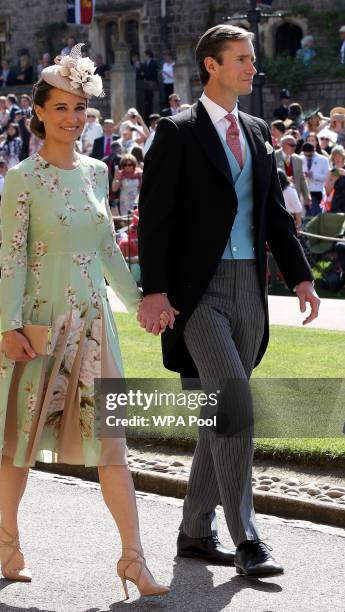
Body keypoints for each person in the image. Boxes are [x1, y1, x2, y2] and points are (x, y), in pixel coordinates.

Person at [0, 43, 170, 598]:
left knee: (113, 446)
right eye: (61, 108)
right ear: (39, 113)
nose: (72, 119)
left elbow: (106, 251)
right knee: (21, 442)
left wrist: (142, 303)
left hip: (95, 327)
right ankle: (8, 538)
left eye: (80, 108)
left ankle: (134, 559)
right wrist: (10, 327)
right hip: (38, 324)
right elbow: (11, 258)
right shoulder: (22, 179)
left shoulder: (98, 172)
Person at [137, 24, 319, 578]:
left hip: (251, 291)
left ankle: (194, 532)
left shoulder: (259, 129)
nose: (252, 67)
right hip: (198, 295)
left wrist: (302, 278)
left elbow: (273, 216)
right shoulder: (176, 131)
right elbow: (156, 218)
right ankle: (249, 540)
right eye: (241, 58)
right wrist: (154, 290)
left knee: (218, 414)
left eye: (252, 58)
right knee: (236, 403)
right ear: (211, 65)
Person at [275, 135, 311, 210]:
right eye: (292, 145)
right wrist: (285, 179)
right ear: (284, 144)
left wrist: (307, 197)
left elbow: (302, 179)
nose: (295, 147)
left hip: (295, 196)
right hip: (279, 196)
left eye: (295, 145)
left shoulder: (298, 159)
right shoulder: (273, 156)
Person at [301, 142, 329, 216]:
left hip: (317, 191)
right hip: (304, 191)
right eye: (306, 155)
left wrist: (313, 175)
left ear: (314, 150)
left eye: (310, 155)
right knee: (305, 214)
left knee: (314, 213)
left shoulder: (323, 159)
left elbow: (327, 177)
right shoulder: (300, 159)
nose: (308, 157)